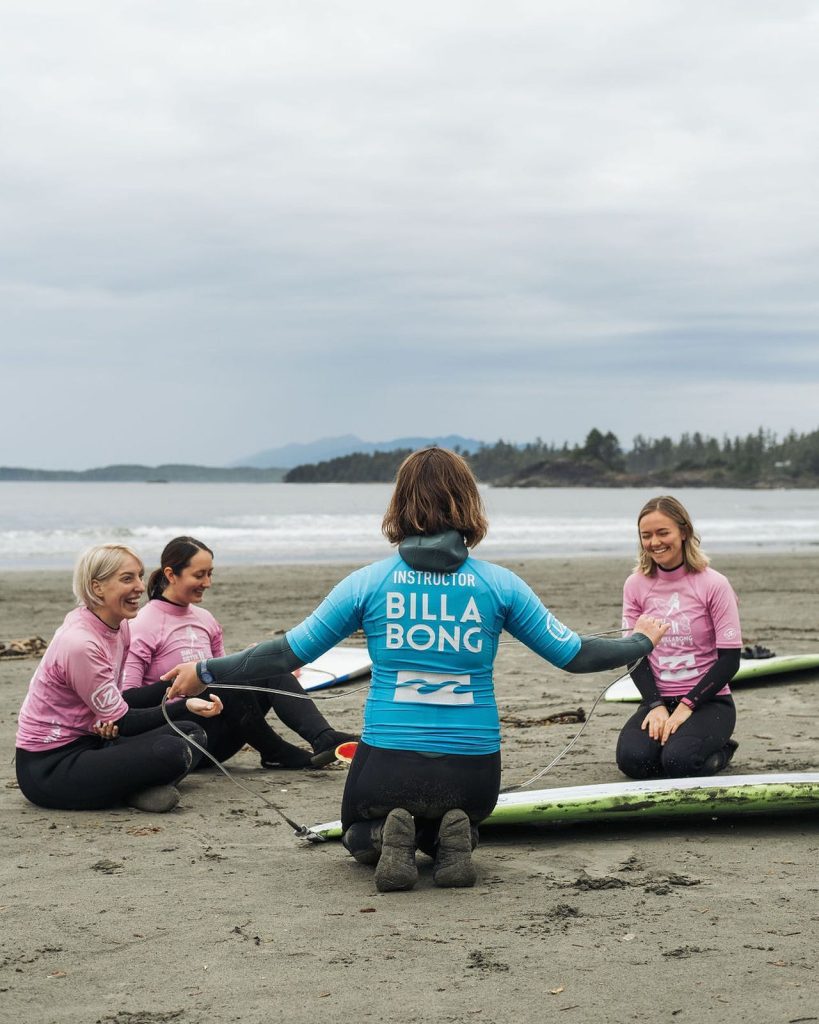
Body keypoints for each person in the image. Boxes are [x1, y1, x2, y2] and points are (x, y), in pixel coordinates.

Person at [162, 448, 667, 892]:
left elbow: (286, 654)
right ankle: (454, 836)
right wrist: (641, 639)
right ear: (468, 504)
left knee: (356, 831)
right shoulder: (500, 585)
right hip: (474, 772)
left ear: (400, 506)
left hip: (390, 763)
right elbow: (575, 654)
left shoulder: (368, 583)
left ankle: (389, 836)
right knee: (461, 814)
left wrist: (204, 668)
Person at [15, 544, 223, 813]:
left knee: (191, 733)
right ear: (97, 587)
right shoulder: (81, 643)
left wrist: (176, 682)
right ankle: (130, 791)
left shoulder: (120, 626)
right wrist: (184, 703)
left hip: (95, 741)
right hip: (50, 766)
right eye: (127, 579)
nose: (140, 586)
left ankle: (129, 788)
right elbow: (123, 720)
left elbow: (116, 702)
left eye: (139, 575)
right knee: (172, 751)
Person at [125, 536, 356, 769]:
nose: (207, 582)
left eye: (210, 573)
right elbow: (128, 701)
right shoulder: (142, 626)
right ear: (171, 575)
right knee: (223, 677)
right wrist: (180, 689)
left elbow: (225, 675)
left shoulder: (206, 619)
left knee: (268, 665)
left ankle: (323, 737)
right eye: (199, 575)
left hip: (223, 736)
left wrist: (250, 661)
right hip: (182, 739)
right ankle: (276, 751)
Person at [615, 495, 741, 780]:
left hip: (709, 702)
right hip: (659, 699)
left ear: (683, 532)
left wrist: (687, 706)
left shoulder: (713, 584)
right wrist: (655, 705)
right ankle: (677, 742)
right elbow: (634, 654)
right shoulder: (636, 585)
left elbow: (730, 660)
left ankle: (722, 749)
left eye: (663, 532)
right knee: (633, 762)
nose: (655, 542)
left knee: (680, 764)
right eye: (646, 535)